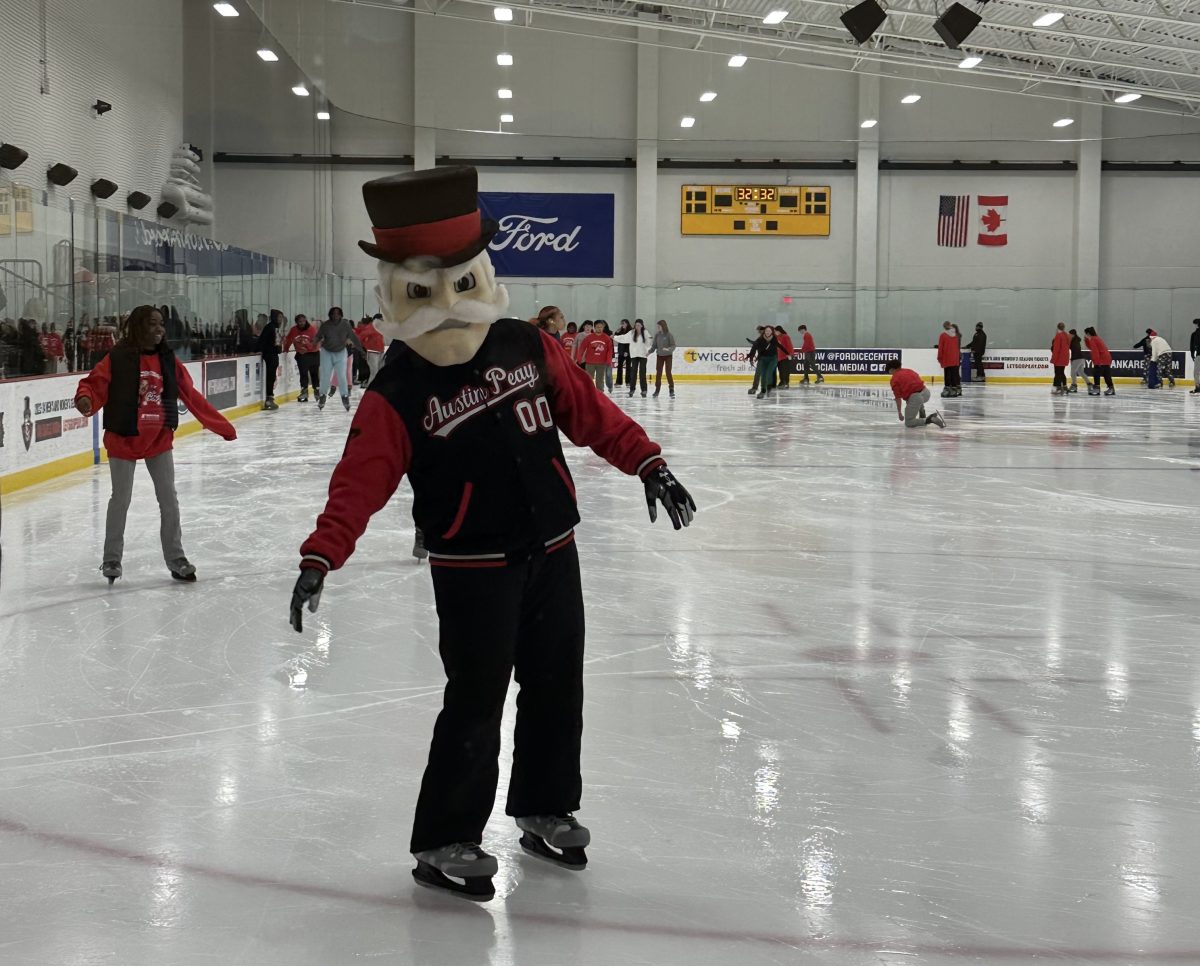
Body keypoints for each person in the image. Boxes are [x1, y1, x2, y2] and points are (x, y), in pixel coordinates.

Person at [288, 166, 695, 902]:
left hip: (553, 549)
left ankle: (544, 805)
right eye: (423, 289)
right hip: (471, 563)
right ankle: (445, 836)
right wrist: (323, 553)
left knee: (556, 684)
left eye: (460, 282)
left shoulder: (524, 344)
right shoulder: (398, 390)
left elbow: (590, 414)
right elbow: (362, 479)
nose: (446, 305)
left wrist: (649, 463)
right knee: (475, 699)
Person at [73, 305, 237, 584]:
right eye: (153, 324)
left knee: (169, 500)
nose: (160, 329)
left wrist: (220, 425)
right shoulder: (118, 357)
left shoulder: (168, 360)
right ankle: (112, 558)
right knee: (120, 499)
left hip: (158, 439)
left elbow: (191, 396)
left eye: (162, 324)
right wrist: (85, 400)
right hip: (124, 438)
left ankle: (176, 558)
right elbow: (93, 384)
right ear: (138, 327)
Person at [315, 307, 363, 411]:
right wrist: (313, 343)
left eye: (337, 314)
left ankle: (345, 397)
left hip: (341, 352)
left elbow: (353, 337)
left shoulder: (345, 325)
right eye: (333, 314)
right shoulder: (326, 325)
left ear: (341, 315)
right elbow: (318, 336)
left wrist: (361, 349)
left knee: (342, 375)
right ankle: (322, 396)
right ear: (330, 315)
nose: (335, 316)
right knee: (325, 375)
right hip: (327, 352)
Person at [886, 359, 945, 429]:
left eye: (889, 371)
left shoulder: (894, 379)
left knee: (909, 422)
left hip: (916, 398)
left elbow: (898, 398)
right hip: (926, 393)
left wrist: (899, 413)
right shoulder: (909, 371)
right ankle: (922, 413)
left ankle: (929, 419)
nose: (890, 374)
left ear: (892, 369)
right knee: (911, 397)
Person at [283, 313, 321, 402]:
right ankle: (304, 391)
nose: (302, 323)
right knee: (303, 374)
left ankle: (317, 390)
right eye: (299, 322)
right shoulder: (294, 330)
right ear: (296, 322)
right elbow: (289, 340)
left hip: (313, 354)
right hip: (302, 355)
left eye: (303, 321)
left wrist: (308, 348)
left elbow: (316, 343)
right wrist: (286, 349)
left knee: (314, 373)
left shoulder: (312, 330)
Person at [576, 317, 614, 392]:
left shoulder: (607, 338)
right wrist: (579, 358)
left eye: (601, 327)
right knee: (589, 379)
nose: (599, 328)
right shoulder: (589, 337)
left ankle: (600, 394)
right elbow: (582, 348)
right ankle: (588, 392)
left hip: (601, 363)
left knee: (600, 380)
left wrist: (608, 360)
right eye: (597, 327)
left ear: (603, 327)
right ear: (594, 327)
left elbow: (610, 350)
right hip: (590, 362)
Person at [616, 318, 652, 397]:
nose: (637, 327)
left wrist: (647, 347)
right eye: (636, 325)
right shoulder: (631, 333)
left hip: (643, 356)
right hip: (634, 356)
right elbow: (623, 338)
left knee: (642, 373)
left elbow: (649, 343)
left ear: (642, 325)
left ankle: (644, 390)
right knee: (633, 373)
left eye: (639, 325)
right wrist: (615, 337)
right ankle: (632, 389)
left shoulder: (645, 332)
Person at [258, 309, 283, 410]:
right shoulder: (271, 327)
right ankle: (269, 399)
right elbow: (265, 341)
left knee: (271, 376)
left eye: (281, 318)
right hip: (270, 355)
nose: (280, 320)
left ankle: (270, 398)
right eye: (279, 317)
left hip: (272, 354)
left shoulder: (273, 327)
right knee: (270, 376)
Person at [1083, 326, 1115, 396]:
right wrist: (1086, 340)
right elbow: (1091, 347)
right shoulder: (1096, 338)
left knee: (1096, 373)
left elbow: (1095, 351)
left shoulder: (1093, 339)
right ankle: (1111, 388)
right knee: (1106, 375)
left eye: (1085, 334)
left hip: (1101, 359)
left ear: (1088, 334)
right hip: (1106, 358)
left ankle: (1097, 389)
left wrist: (1097, 362)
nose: (1085, 335)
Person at [749, 325, 779, 399]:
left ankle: (767, 388)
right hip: (762, 359)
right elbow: (753, 348)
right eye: (760, 331)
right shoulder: (759, 339)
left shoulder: (772, 339)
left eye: (762, 330)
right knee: (758, 373)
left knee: (768, 373)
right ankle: (755, 387)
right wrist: (751, 358)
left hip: (771, 359)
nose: (761, 332)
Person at [355, 315, 386, 386]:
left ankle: (377, 387)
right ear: (376, 320)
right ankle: (370, 387)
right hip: (373, 352)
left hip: (380, 351)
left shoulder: (379, 328)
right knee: (374, 372)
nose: (382, 321)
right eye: (381, 320)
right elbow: (360, 337)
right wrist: (365, 345)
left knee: (379, 371)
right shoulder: (371, 327)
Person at [651, 319, 676, 398]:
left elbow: (673, 345)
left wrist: (669, 349)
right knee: (658, 373)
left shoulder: (669, 335)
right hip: (659, 356)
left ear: (663, 326)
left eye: (659, 326)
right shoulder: (657, 335)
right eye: (657, 326)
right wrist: (649, 352)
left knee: (668, 372)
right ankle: (657, 390)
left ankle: (671, 389)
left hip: (668, 356)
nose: (657, 328)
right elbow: (654, 346)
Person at [938, 321, 961, 398]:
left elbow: (940, 347)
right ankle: (954, 389)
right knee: (954, 373)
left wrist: (939, 357)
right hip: (955, 358)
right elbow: (957, 348)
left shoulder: (943, 335)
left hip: (947, 357)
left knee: (947, 373)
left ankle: (947, 388)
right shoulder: (956, 335)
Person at [1050, 322, 1071, 395]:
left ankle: (1058, 388)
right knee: (1061, 372)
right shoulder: (1067, 335)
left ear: (1057, 328)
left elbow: (1056, 349)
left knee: (1058, 373)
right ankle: (1064, 387)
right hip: (1065, 357)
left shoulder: (1058, 336)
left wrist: (1053, 359)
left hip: (1059, 358)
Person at [1068, 328, 1087, 394]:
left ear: (1072, 335)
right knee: (1081, 372)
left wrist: (1073, 359)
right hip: (1081, 358)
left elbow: (1075, 350)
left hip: (1077, 359)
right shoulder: (1076, 340)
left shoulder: (1074, 341)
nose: (1068, 335)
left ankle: (1074, 385)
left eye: (1069, 334)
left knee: (1073, 373)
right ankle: (1089, 384)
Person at [774, 325, 794, 389]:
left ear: (779, 331)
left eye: (776, 331)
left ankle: (786, 383)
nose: (775, 332)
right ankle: (782, 382)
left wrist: (790, 354)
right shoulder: (776, 337)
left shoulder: (785, 336)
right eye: (775, 331)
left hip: (785, 357)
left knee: (785, 370)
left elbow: (789, 345)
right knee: (781, 370)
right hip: (779, 357)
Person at [614, 320, 631, 387]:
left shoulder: (630, 331)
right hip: (621, 350)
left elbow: (628, 342)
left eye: (623, 323)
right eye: (621, 323)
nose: (622, 325)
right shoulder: (620, 331)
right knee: (619, 367)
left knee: (628, 367)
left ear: (627, 324)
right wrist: (617, 332)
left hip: (628, 351)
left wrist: (626, 351)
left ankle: (628, 381)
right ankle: (619, 382)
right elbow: (616, 338)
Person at [1190, 319, 1200, 394]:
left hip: (1199, 355)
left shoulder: (1195, 334)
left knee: (1196, 372)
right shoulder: (1194, 334)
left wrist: (1192, 355)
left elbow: (1193, 346)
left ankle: (1198, 387)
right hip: (1198, 355)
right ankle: (1197, 387)